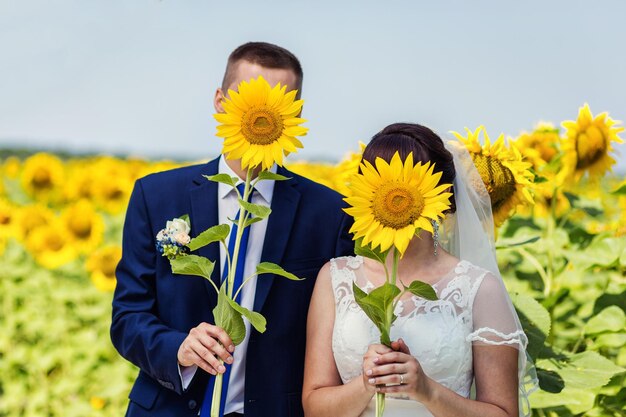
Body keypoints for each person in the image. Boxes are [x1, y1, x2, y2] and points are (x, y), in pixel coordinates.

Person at [111, 42, 354, 417]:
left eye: (278, 104)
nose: (263, 112)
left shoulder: (330, 215)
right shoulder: (156, 196)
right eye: (250, 99)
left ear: (296, 113)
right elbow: (128, 317)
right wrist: (177, 347)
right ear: (221, 101)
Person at [302, 123, 536, 417]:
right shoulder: (336, 277)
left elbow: (503, 413)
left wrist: (426, 390)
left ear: (442, 196)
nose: (394, 195)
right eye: (379, 183)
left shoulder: (478, 288)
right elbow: (314, 406)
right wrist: (367, 383)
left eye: (411, 183)